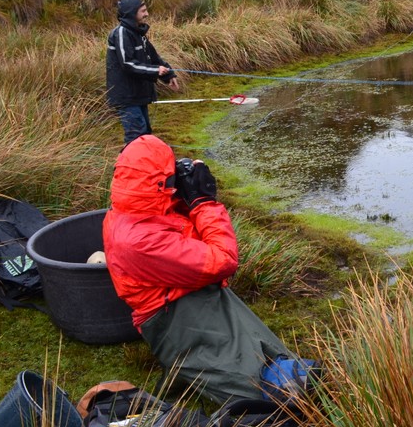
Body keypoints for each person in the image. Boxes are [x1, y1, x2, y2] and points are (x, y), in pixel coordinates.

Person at [102, 134, 297, 404]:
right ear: (158, 182)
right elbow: (223, 260)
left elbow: (178, 231)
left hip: (187, 296)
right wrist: (204, 203)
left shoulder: (133, 208)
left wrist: (184, 195)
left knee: (274, 354)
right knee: (262, 395)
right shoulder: (138, 241)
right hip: (170, 319)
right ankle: (187, 365)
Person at [106, 0, 181, 144]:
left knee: (145, 133)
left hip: (139, 93)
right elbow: (127, 63)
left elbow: (152, 57)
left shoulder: (138, 32)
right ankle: (128, 166)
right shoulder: (121, 33)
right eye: (143, 11)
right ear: (131, 13)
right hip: (126, 96)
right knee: (136, 136)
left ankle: (143, 166)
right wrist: (155, 71)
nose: (146, 14)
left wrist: (168, 75)